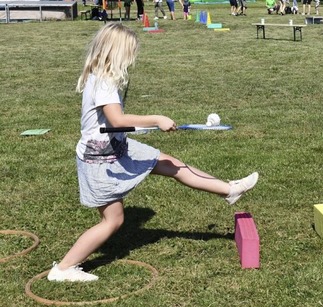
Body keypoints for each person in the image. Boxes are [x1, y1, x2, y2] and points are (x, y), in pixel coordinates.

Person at [46, 23, 259, 282]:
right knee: (113, 221)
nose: (133, 58)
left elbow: (113, 123)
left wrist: (139, 127)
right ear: (118, 52)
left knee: (170, 163)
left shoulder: (102, 76)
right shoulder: (103, 82)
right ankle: (64, 268)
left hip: (116, 147)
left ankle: (230, 189)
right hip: (101, 160)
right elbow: (116, 119)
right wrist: (156, 119)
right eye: (131, 52)